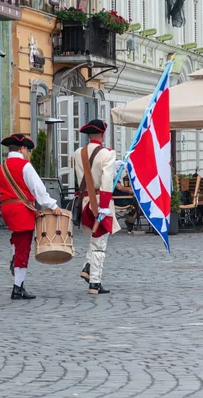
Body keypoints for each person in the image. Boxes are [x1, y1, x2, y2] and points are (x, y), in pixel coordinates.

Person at [0, 134, 62, 300]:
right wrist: (52, 205)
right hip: (21, 210)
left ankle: (14, 259)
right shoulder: (25, 166)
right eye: (27, 150)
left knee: (18, 241)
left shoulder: (0, 168)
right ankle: (17, 288)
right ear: (22, 148)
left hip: (7, 209)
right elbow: (38, 189)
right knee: (23, 248)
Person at [74, 119, 121, 294]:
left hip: (85, 201)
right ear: (103, 134)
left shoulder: (79, 152)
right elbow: (106, 182)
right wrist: (104, 206)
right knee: (100, 243)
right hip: (101, 202)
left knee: (94, 239)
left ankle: (87, 267)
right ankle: (95, 282)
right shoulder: (108, 153)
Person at [113, 160, 139, 233]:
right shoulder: (113, 179)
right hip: (120, 200)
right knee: (138, 202)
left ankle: (131, 218)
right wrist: (129, 190)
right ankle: (131, 220)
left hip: (120, 198)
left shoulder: (112, 178)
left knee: (137, 201)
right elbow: (120, 188)